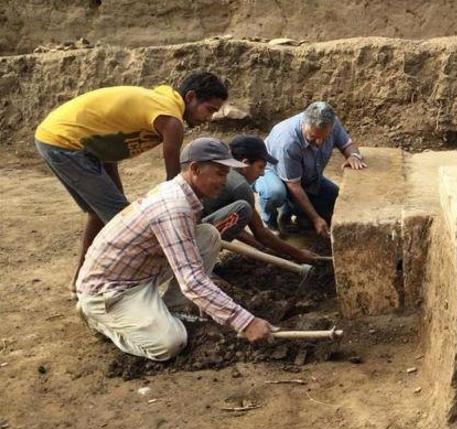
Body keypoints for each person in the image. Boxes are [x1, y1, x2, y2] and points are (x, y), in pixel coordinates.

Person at [76, 138, 275, 362]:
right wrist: (246, 322)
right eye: (220, 173)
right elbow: (191, 280)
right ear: (195, 169)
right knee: (170, 344)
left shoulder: (184, 196)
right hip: (110, 290)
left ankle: (172, 308)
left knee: (208, 235)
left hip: (140, 272)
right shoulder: (174, 206)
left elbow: (189, 266)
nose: (224, 181)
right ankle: (100, 319)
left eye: (226, 173)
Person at [34, 72, 229, 292]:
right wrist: (190, 243)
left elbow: (110, 136)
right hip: (66, 142)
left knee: (103, 213)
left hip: (70, 141)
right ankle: (116, 288)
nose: (209, 118)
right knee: (126, 221)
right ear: (191, 97)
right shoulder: (170, 120)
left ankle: (80, 281)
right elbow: (175, 185)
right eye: (209, 110)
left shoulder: (161, 104)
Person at [256, 101, 367, 238]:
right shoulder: (287, 141)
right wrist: (315, 218)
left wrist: (353, 156)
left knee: (337, 203)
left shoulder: (332, 123)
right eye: (313, 137)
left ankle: (296, 213)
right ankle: (270, 223)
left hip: (307, 176)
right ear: (304, 124)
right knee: (275, 193)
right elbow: (294, 185)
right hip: (271, 172)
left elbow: (347, 145)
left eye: (324, 137)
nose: (319, 142)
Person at [200, 135, 318, 263]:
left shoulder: (228, 176)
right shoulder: (241, 187)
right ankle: (201, 262)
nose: (262, 174)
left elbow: (232, 226)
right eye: (260, 167)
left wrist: (262, 249)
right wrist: (298, 254)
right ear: (245, 164)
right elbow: (261, 234)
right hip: (193, 239)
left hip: (190, 231)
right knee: (243, 209)